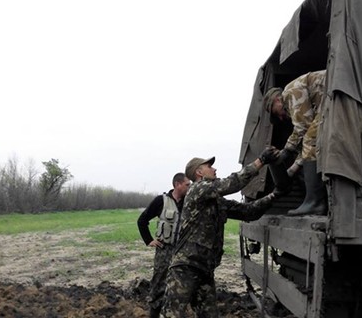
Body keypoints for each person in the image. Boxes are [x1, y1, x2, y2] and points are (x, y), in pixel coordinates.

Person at [161, 148, 280, 318]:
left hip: (204, 270)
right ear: (199, 172)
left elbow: (248, 211)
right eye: (209, 166)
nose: (215, 169)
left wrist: (275, 195)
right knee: (172, 314)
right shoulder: (198, 189)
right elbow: (233, 183)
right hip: (185, 267)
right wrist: (260, 161)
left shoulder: (216, 200)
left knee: (209, 314)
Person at [263, 70, 328, 216]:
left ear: (277, 101)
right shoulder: (293, 93)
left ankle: (315, 202)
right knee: (310, 140)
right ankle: (316, 201)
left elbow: (303, 126)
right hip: (332, 101)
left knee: (310, 139)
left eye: (275, 112)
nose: (280, 117)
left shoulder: (290, 92)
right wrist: (293, 169)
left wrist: (286, 152)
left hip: (335, 99)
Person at [137, 172, 191, 318]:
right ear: (177, 184)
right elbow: (142, 221)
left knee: (181, 287)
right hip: (164, 250)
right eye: (187, 184)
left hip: (183, 251)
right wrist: (149, 240)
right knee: (158, 285)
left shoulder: (190, 201)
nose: (189, 186)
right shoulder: (161, 201)